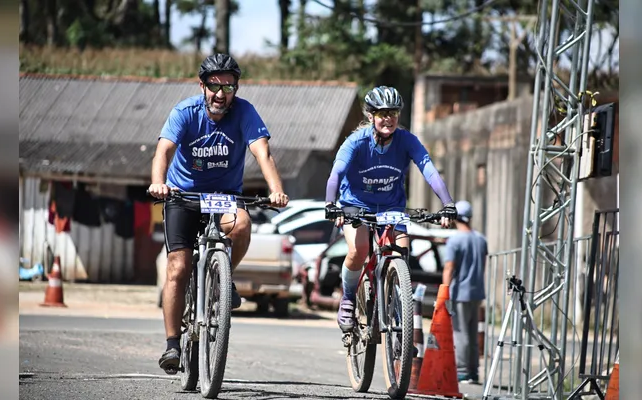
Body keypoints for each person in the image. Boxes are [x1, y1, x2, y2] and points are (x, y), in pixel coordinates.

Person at [148, 53, 290, 374]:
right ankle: (172, 345)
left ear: (236, 88)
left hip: (223, 197)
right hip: (183, 196)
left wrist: (276, 190)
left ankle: (224, 280)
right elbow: (164, 151)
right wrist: (158, 183)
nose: (221, 93)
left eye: (229, 86)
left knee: (242, 226)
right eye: (214, 85)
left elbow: (262, 152)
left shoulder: (245, 112)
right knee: (178, 267)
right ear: (203, 85)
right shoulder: (185, 112)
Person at [324, 85, 458, 332]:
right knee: (360, 249)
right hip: (356, 205)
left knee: (401, 255)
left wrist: (448, 204)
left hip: (392, 206)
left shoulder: (407, 140)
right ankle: (348, 299)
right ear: (371, 115)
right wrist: (332, 204)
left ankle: (399, 313)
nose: (388, 118)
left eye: (393, 112)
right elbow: (336, 173)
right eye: (382, 113)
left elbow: (428, 169)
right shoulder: (356, 142)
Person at [442, 200, 488, 384]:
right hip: (477, 292)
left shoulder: (454, 240)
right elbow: (483, 265)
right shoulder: (481, 239)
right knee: (472, 333)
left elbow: (449, 268)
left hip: (460, 292)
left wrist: (444, 291)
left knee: (460, 334)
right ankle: (474, 371)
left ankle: (462, 371)